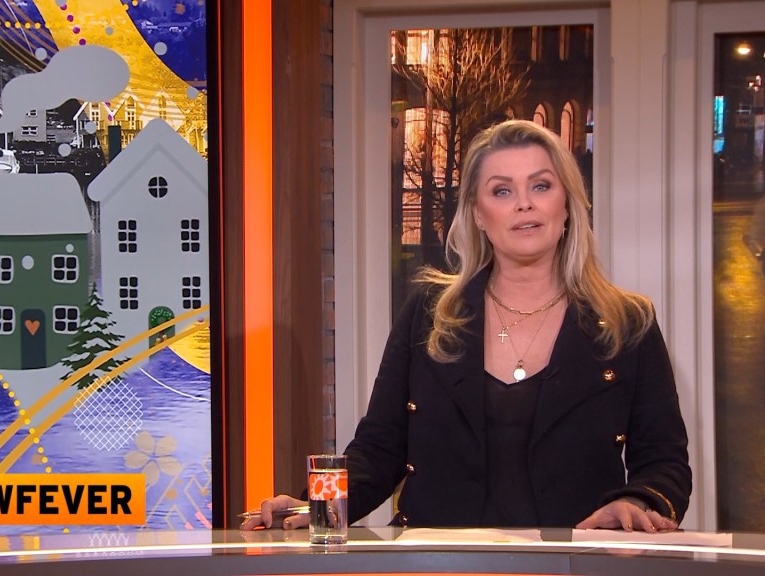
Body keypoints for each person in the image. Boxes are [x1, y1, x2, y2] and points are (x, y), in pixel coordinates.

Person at [241, 120, 691, 533]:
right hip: (440, 564)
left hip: (572, 566)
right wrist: (315, 504)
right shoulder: (430, 313)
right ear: (477, 213)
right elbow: (379, 449)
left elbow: (664, 461)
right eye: (502, 191)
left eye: (541, 185)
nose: (524, 203)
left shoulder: (628, 323)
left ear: (567, 204)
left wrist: (636, 502)